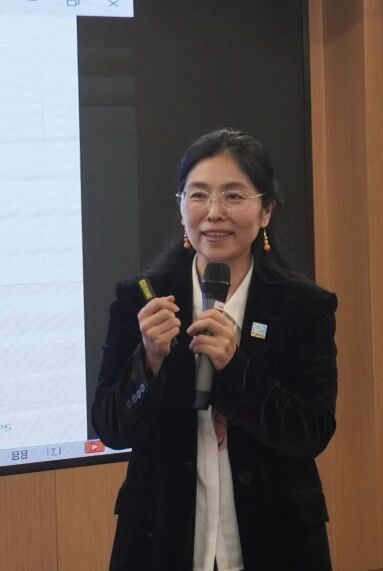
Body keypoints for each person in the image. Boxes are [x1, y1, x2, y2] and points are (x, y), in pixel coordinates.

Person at [92, 129, 338, 571]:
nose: (214, 212)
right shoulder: (143, 299)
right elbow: (112, 428)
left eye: (234, 196)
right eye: (199, 195)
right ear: (181, 206)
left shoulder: (304, 306)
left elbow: (311, 431)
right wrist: (148, 360)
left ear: (266, 210)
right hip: (160, 540)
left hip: (276, 540)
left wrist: (235, 368)